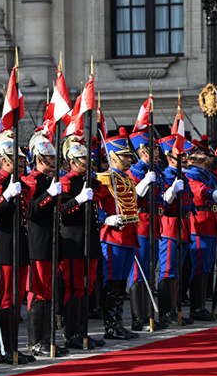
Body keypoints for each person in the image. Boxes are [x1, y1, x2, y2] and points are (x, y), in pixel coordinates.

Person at [97, 133, 151, 341]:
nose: (130, 159)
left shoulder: (127, 179)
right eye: (125, 156)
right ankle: (110, 326)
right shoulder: (103, 179)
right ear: (113, 158)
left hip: (129, 234)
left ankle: (118, 323)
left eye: (129, 156)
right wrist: (106, 219)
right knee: (112, 283)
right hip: (112, 236)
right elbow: (95, 204)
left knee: (121, 284)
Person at [0, 131, 33, 364]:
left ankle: (13, 346)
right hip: (3, 248)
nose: (23, 163)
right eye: (19, 159)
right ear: (4, 159)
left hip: (20, 248)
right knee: (4, 301)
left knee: (17, 300)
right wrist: (5, 197)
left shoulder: (22, 184)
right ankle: (2, 349)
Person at [22, 130, 66, 357]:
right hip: (37, 242)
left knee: (49, 292)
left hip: (51, 241)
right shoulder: (30, 181)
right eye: (48, 158)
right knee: (38, 292)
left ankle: (47, 340)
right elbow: (31, 211)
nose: (53, 161)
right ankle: (35, 341)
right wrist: (49, 194)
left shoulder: (51, 180)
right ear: (38, 159)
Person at [59, 136, 103, 350]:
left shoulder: (91, 181)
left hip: (90, 240)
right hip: (74, 242)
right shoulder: (67, 181)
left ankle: (84, 332)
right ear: (73, 162)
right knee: (75, 287)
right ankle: (72, 334)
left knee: (87, 287)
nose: (88, 161)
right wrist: (78, 200)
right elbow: (62, 212)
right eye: (83, 158)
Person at [185, 144, 217, 320]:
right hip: (199, 224)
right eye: (198, 153)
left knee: (206, 268)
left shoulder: (207, 174)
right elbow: (202, 193)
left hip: (210, 224)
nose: (203, 156)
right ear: (190, 159)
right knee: (199, 267)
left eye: (203, 153)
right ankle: (196, 308)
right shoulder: (189, 175)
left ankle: (202, 306)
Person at [126, 129, 166, 331]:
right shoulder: (135, 171)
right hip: (141, 222)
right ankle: (137, 318)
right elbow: (132, 195)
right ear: (142, 151)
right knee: (139, 272)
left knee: (150, 270)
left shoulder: (156, 171)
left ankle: (149, 315)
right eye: (153, 149)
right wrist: (144, 182)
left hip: (154, 223)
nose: (157, 153)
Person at [156, 135, 195, 325]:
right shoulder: (167, 176)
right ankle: (166, 312)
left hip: (183, 225)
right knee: (168, 271)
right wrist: (172, 190)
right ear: (171, 158)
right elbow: (163, 200)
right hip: (170, 226)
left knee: (179, 271)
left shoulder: (182, 176)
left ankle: (176, 309)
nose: (187, 158)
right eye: (184, 155)